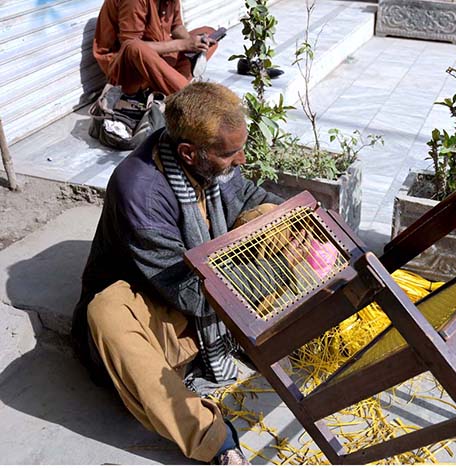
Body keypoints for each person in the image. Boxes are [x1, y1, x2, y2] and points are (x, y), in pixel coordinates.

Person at [71, 82, 294, 464]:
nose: (241, 160)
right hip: (162, 312)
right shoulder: (138, 190)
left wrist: (293, 221)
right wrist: (276, 269)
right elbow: (191, 292)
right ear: (190, 153)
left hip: (205, 299)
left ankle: (264, 336)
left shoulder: (206, 157)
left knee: (274, 219)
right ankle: (212, 439)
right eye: (230, 154)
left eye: (241, 148)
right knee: (105, 310)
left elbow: (251, 199)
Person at [93, 0, 219, 96]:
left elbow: (176, 26)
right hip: (127, 67)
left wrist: (195, 44)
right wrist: (185, 44)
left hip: (159, 53)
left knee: (208, 34)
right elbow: (130, 46)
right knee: (135, 47)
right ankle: (185, 94)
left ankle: (169, 85)